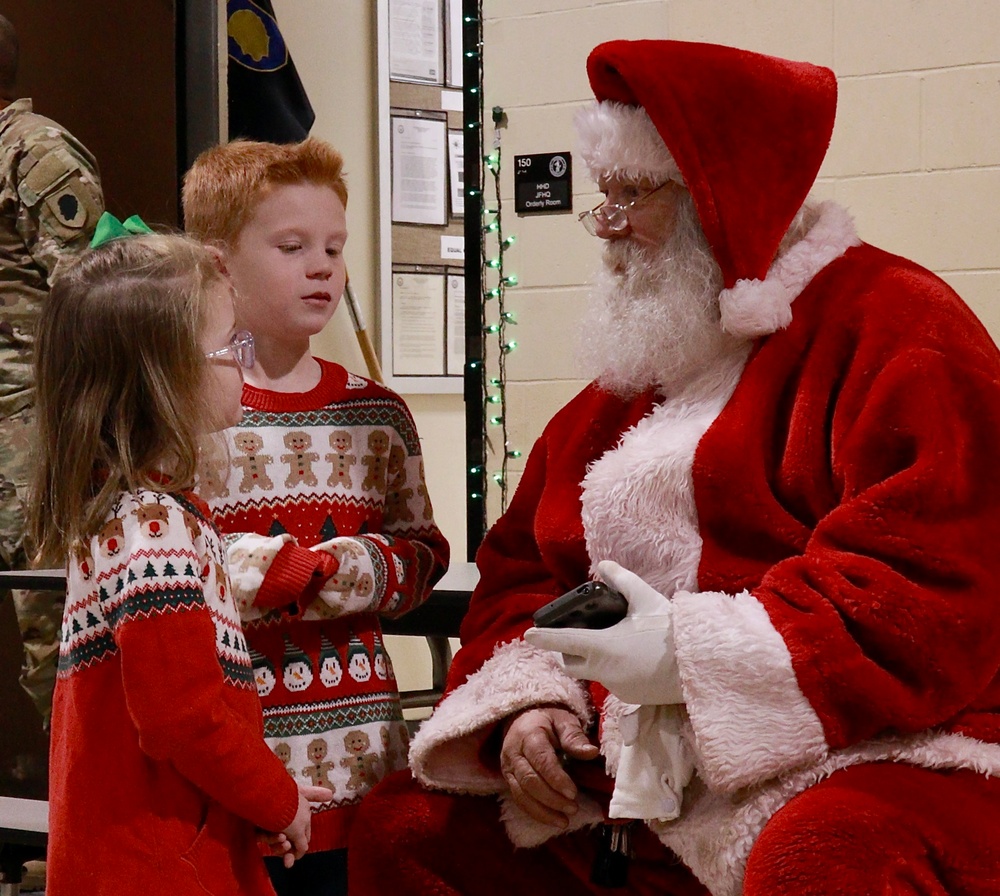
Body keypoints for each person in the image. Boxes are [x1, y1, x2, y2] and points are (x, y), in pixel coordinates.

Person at [347, 39, 1000, 896]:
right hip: (634, 770)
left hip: (872, 746)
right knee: (408, 829)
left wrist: (686, 657)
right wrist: (533, 705)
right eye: (602, 196)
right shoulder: (627, 383)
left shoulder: (898, 330)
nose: (606, 225)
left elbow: (932, 582)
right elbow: (520, 576)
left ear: (722, 200)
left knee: (829, 855)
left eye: (633, 195)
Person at [28, 220, 333, 896]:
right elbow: (180, 718)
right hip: (161, 870)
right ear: (166, 377)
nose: (242, 362)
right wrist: (279, 800)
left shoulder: (135, 515)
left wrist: (248, 804)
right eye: (230, 347)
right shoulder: (153, 525)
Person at [182, 138, 450, 896]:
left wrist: (346, 569)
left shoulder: (377, 414)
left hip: (363, 754)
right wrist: (270, 570)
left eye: (334, 246)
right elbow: (165, 553)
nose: (322, 266)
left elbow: (421, 552)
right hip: (237, 763)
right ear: (220, 265)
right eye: (292, 246)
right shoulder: (187, 412)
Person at [0, 12, 104, 730]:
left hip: (31, 428)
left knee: (53, 632)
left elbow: (94, 296)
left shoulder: (34, 152)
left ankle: (70, 825)